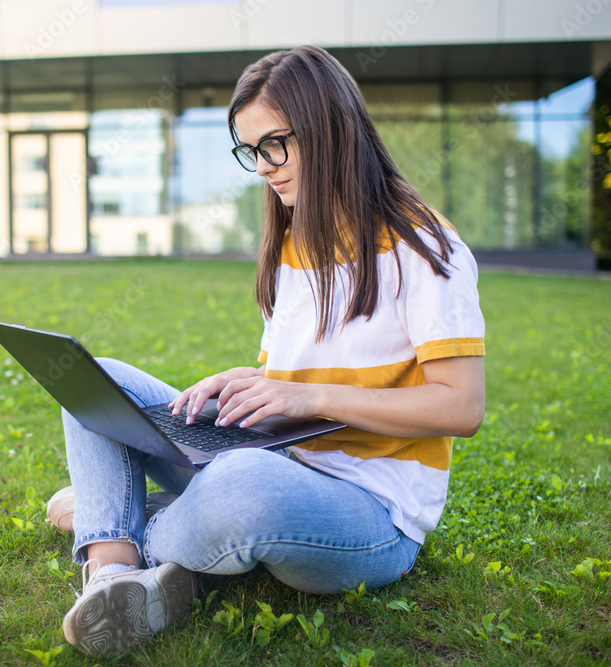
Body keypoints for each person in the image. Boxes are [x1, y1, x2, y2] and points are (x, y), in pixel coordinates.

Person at [46, 45, 486, 657]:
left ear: (331, 128)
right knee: (92, 380)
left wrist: (307, 393)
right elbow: (289, 379)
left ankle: (117, 523)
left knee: (239, 484)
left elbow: (461, 408)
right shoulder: (292, 243)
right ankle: (116, 572)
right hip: (278, 453)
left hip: (368, 513)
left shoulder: (425, 247)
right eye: (252, 150)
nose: (263, 167)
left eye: (275, 144)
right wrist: (247, 379)